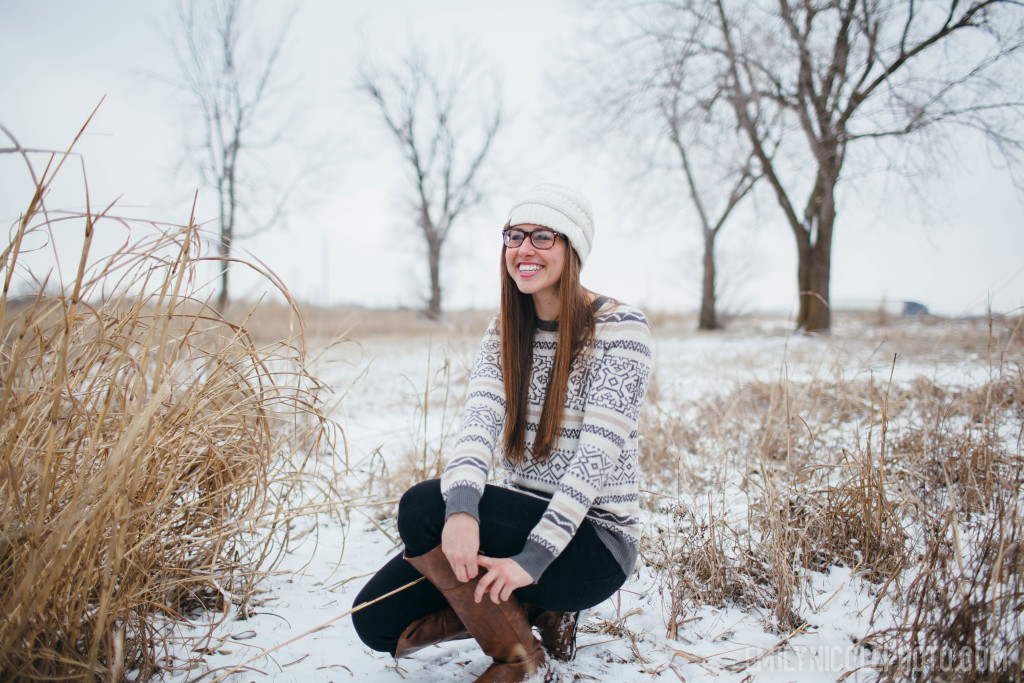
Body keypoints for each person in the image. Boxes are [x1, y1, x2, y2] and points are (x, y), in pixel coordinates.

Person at [351, 183, 653, 682]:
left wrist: (532, 559)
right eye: (514, 235)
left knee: (420, 506)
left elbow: (594, 461)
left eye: (542, 237)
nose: (523, 249)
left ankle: (518, 655)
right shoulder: (505, 329)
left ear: (571, 249)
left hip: (591, 543)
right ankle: (530, 610)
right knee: (376, 622)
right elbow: (477, 426)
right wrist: (464, 510)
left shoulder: (621, 328)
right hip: (516, 522)